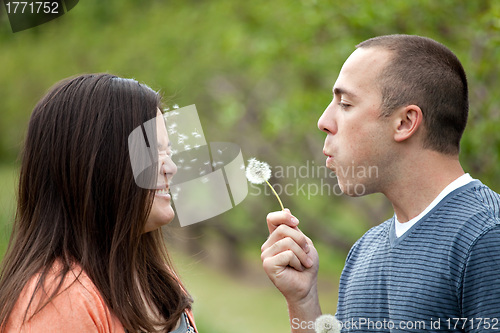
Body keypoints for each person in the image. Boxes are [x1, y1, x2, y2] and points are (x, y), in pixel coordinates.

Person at [261, 34, 500, 332]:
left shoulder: (487, 239)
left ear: (404, 123)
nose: (324, 121)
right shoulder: (364, 251)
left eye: (346, 103)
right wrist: (304, 300)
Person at [0, 74, 197, 332]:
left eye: (168, 152)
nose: (171, 167)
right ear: (100, 165)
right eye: (152, 152)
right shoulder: (61, 304)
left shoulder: (158, 283)